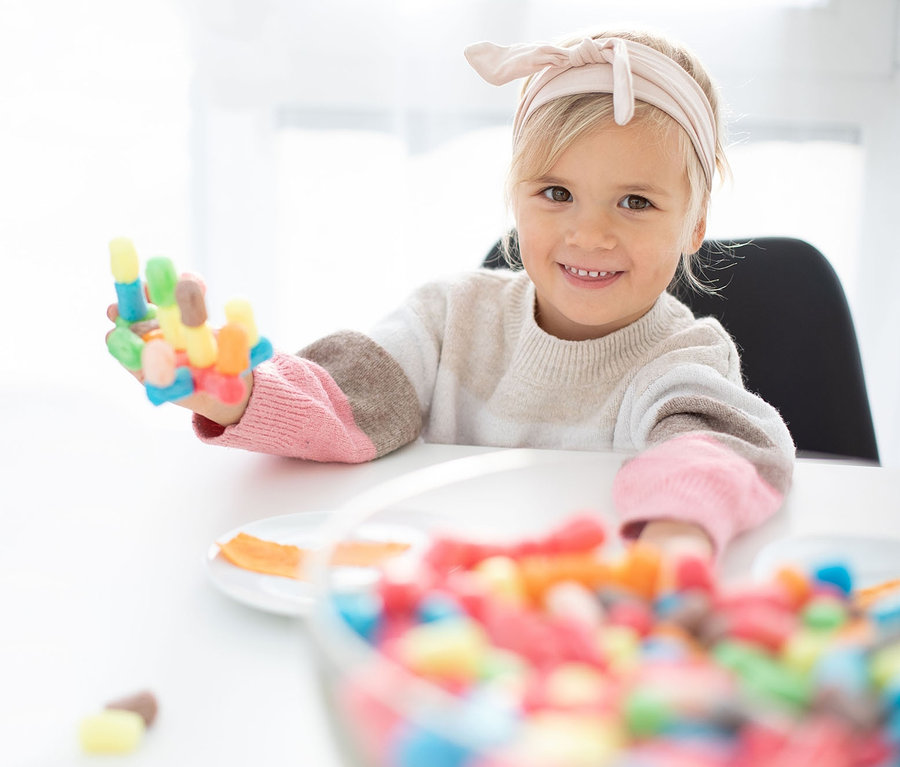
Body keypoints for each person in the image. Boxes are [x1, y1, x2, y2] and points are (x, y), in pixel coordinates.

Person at [108, 28, 794, 562]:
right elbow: (342, 400)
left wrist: (676, 537)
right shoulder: (449, 318)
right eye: (556, 193)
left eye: (636, 201)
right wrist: (231, 390)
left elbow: (716, 450)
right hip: (446, 615)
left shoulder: (686, 357)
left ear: (694, 224)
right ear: (514, 197)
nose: (590, 232)